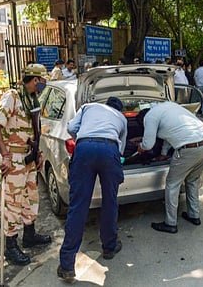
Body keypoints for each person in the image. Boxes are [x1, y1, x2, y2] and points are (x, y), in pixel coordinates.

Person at [58, 97, 127, 283]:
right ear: (119, 109)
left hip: (84, 148)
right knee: (110, 202)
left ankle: (66, 266)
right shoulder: (122, 118)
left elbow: (71, 127)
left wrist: (83, 140)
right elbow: (122, 148)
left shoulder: (89, 107)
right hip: (109, 150)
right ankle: (109, 247)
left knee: (78, 206)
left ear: (105, 104)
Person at [0, 65, 51, 266]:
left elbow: (33, 130)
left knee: (30, 198)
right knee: (13, 203)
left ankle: (29, 235)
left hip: (29, 159)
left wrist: (38, 152)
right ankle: (10, 246)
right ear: (34, 80)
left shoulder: (32, 99)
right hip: (14, 160)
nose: (43, 84)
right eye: (42, 80)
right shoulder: (13, 97)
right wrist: (5, 156)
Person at [137, 102, 203, 234]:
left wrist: (141, 147)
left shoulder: (149, 117)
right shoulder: (168, 107)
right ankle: (194, 215)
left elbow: (148, 144)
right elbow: (168, 135)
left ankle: (170, 223)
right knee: (192, 181)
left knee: (172, 184)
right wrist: (163, 154)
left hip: (189, 148)